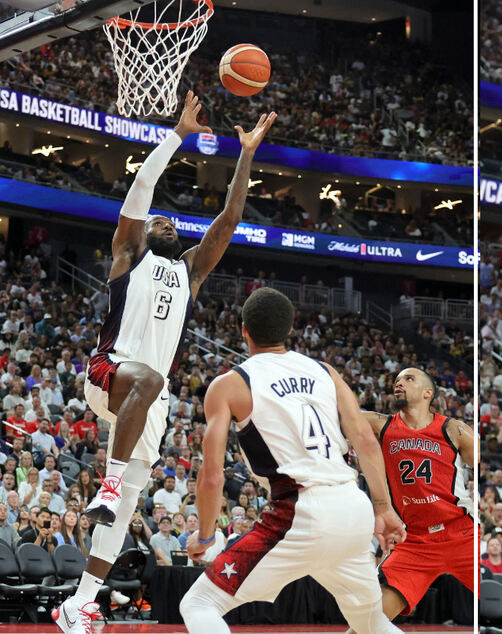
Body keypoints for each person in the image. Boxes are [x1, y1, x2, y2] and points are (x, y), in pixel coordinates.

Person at [54, 94, 276, 634]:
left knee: (127, 505)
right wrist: (176, 135)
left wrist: (244, 155)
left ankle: (80, 602)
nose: (168, 223)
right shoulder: (129, 255)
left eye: (174, 223)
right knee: (148, 382)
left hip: (148, 402)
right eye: (161, 220)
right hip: (110, 373)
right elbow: (138, 194)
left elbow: (229, 219)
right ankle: (106, 483)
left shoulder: (189, 273)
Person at [179, 288, 405, 634]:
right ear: (289, 330)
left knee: (199, 603)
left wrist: (206, 537)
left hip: (300, 511)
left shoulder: (230, 385)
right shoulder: (325, 372)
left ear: (243, 330)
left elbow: (211, 477)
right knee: (370, 621)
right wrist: (384, 509)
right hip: (352, 506)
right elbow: (366, 442)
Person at [357, 366, 475, 623]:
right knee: (369, 621)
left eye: (408, 379)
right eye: (396, 380)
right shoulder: (381, 424)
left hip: (461, 531)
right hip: (415, 540)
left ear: (427, 393)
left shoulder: (453, 430)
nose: (398, 384)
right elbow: (342, 415)